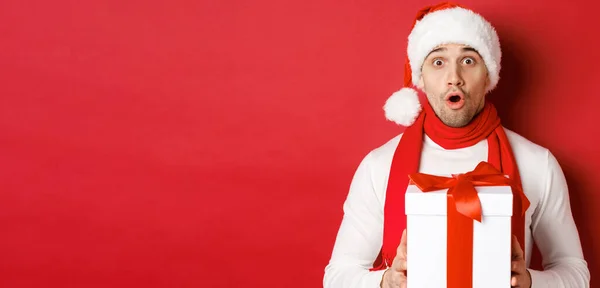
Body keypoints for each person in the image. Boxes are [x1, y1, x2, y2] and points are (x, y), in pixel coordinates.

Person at [323, 2, 590, 288]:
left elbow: (575, 274)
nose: (454, 78)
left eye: (468, 61)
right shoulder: (379, 166)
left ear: (488, 75)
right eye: (438, 62)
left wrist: (529, 281)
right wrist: (387, 282)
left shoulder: (537, 164)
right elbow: (337, 277)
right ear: (420, 78)